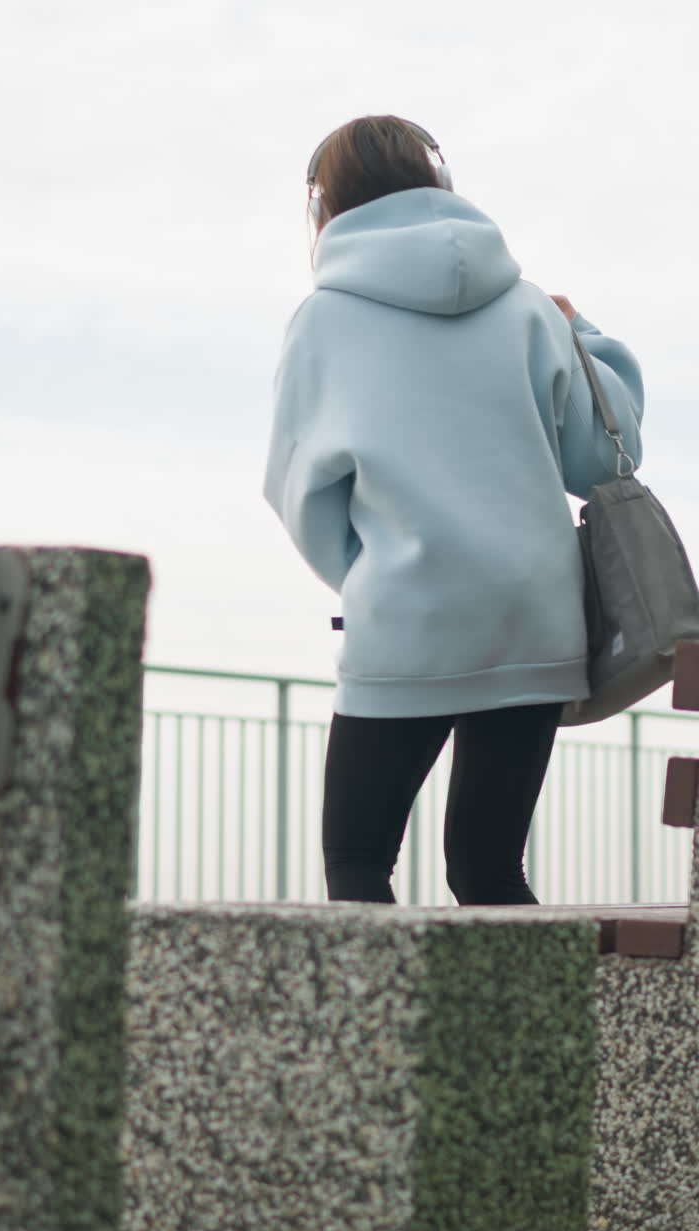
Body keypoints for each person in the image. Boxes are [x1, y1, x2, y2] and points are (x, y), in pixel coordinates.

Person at [263, 114, 643, 907]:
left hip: (408, 616)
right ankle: (536, 1037)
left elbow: (299, 491)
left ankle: (374, 1037)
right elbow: (604, 462)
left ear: (324, 203)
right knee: (489, 870)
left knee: (360, 863)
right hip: (536, 614)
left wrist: (371, 579)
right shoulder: (531, 307)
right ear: (440, 181)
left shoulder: (324, 320)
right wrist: (586, 334)